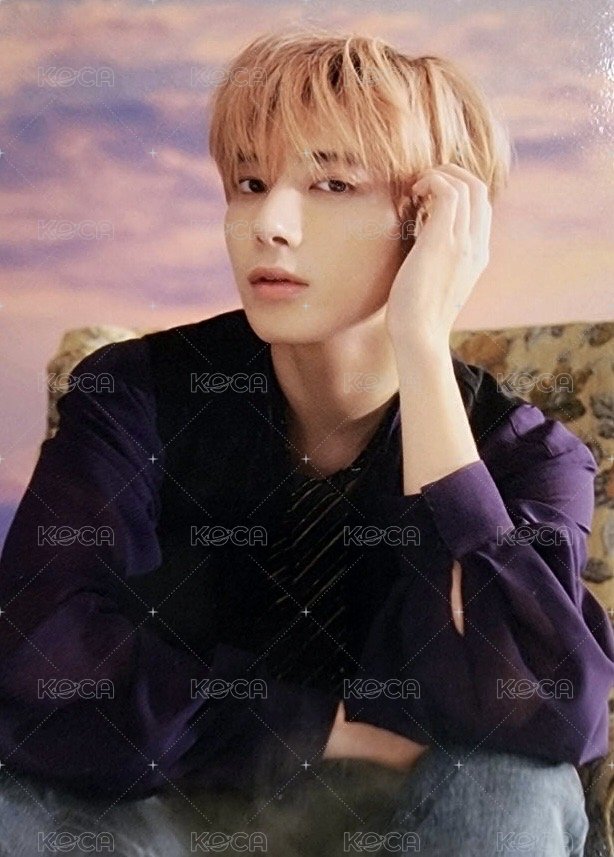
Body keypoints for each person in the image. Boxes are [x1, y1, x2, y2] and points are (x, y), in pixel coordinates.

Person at [0, 27, 612, 856]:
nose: (270, 224)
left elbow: (540, 711)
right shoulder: (133, 392)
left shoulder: (529, 456)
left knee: (512, 789)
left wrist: (421, 346)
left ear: (433, 222)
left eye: (331, 184)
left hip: (412, 825)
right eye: (250, 183)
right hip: (173, 813)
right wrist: (322, 727)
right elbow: (36, 661)